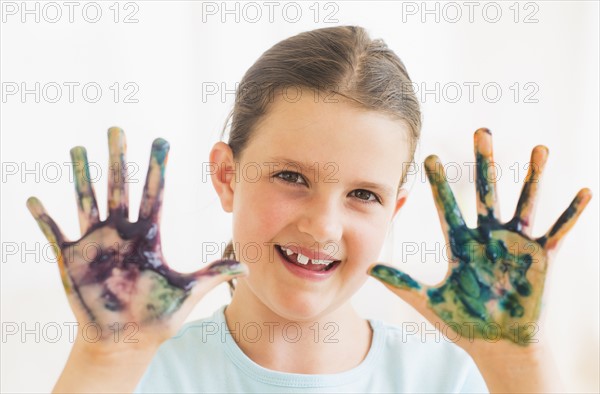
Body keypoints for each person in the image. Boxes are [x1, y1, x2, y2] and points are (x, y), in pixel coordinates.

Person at [27, 26, 591, 393]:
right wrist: (103, 361)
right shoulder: (137, 372)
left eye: (363, 195)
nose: (323, 225)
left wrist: (519, 368)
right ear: (227, 176)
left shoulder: (454, 379)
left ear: (394, 209)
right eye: (291, 177)